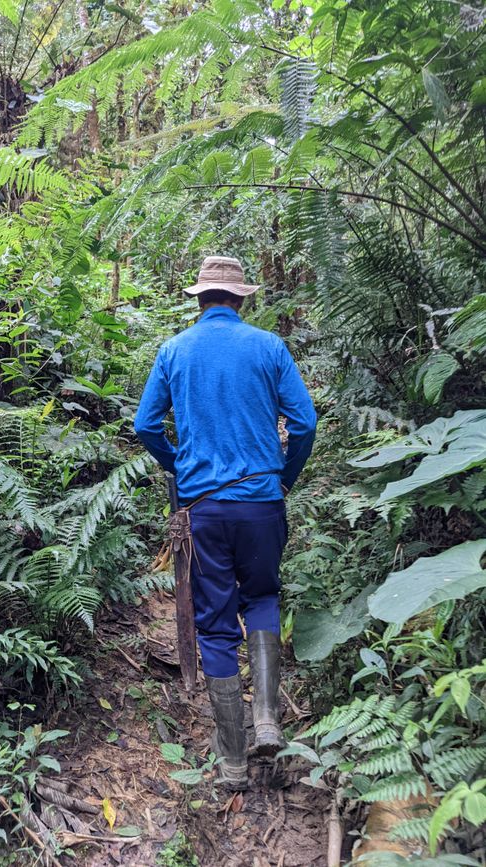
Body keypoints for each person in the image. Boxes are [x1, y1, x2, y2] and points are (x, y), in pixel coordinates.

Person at [134, 255, 317, 790]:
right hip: (262, 502)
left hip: (203, 509)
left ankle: (233, 761)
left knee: (214, 624)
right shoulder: (268, 347)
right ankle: (266, 719)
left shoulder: (174, 350)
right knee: (261, 597)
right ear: (241, 299)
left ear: (199, 298)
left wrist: (180, 465)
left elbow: (146, 425)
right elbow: (304, 421)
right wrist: (285, 477)